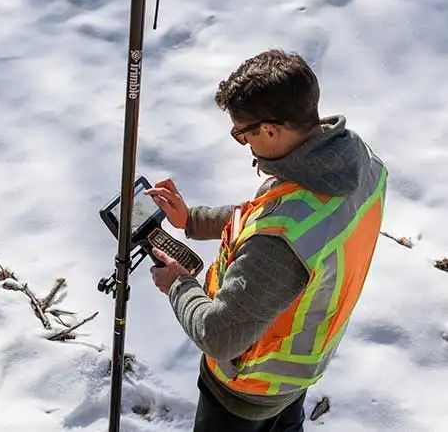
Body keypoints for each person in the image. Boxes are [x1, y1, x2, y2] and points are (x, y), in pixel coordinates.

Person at [145, 49, 387, 432]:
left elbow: (219, 336)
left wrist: (179, 284)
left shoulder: (279, 243)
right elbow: (278, 216)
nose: (244, 143)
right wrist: (193, 220)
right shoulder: (358, 166)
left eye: (242, 134)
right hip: (299, 365)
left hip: (247, 390)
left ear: (271, 131)